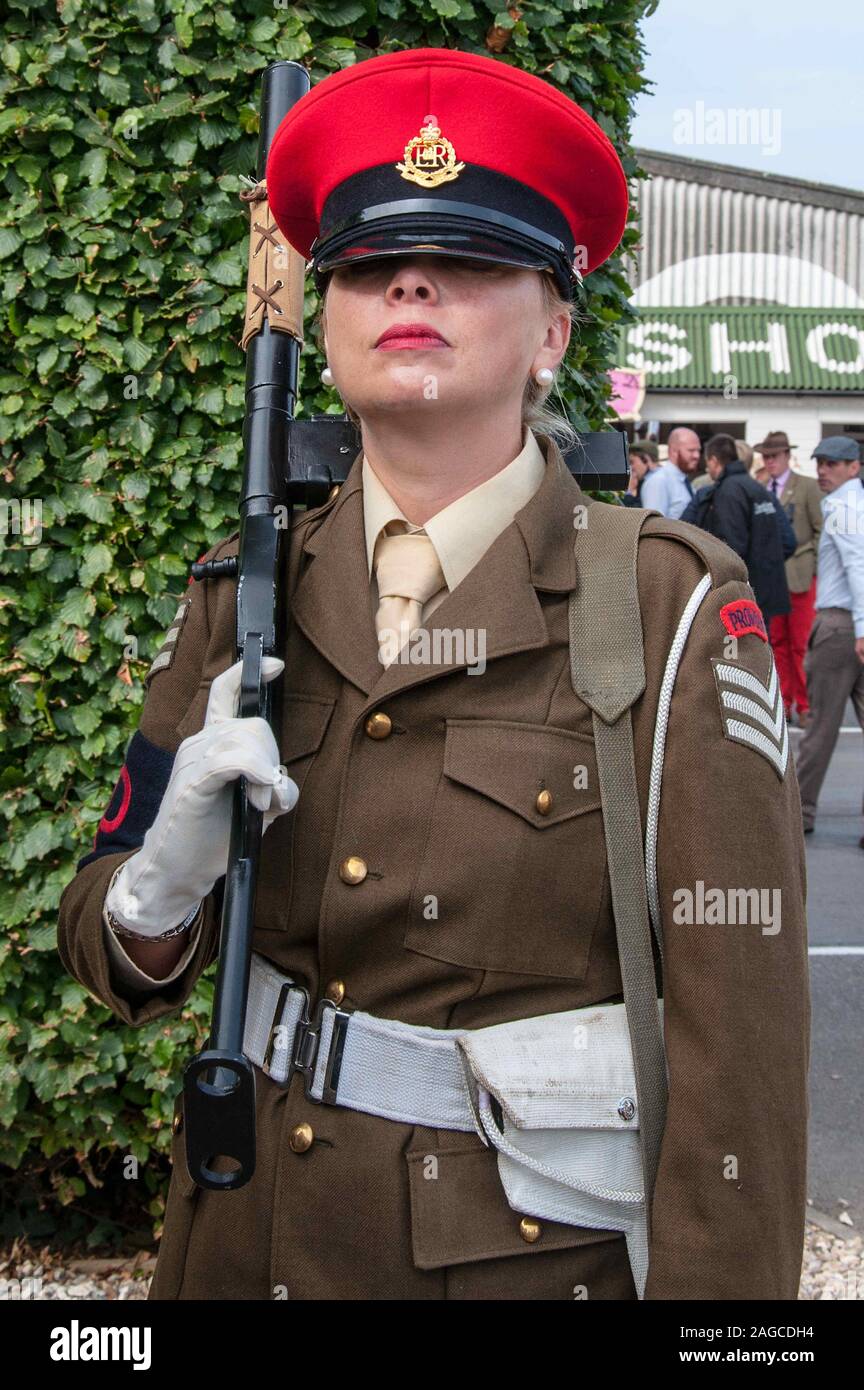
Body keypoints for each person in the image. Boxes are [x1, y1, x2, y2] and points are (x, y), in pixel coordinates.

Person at [56, 47, 809, 1301]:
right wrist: (158, 885)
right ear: (326, 315)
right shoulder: (243, 594)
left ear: (553, 329)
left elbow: (742, 1051)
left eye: (466, 259)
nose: (409, 281)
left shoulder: (672, 605)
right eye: (363, 264)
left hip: (516, 1267)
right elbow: (105, 948)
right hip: (246, 1249)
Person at [795, 437, 864, 841]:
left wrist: (860, 626)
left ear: (853, 466)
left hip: (841, 626)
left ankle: (800, 813)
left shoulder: (841, 506)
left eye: (833, 463)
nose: (823, 469)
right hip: (851, 622)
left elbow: (857, 565)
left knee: (821, 727)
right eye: (820, 462)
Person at [681, 432, 793, 624]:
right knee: (762, 650)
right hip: (765, 593)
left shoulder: (726, 491)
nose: (708, 469)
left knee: (737, 652)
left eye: (708, 463)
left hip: (740, 597)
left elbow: (730, 547)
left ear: (714, 461)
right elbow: (788, 541)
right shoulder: (761, 491)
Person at [753, 431, 823, 726]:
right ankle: (783, 701)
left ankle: (805, 705)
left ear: (786, 456)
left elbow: (821, 530)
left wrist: (811, 564)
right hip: (773, 579)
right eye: (766, 456)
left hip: (800, 577)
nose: (770, 461)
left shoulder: (807, 486)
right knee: (777, 643)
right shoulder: (758, 487)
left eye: (775, 456)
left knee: (801, 644)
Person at [639, 426, 701, 518]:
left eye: (698, 450)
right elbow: (655, 527)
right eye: (691, 450)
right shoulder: (659, 481)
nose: (697, 455)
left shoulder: (683, 480)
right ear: (673, 451)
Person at [621, 440, 658, 508]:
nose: (631, 468)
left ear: (645, 459)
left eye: (632, 462)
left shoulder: (654, 482)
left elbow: (637, 514)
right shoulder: (645, 480)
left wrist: (629, 491)